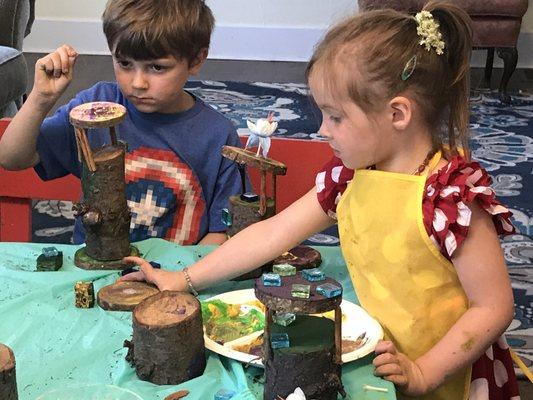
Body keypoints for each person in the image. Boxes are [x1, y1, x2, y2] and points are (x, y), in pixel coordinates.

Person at [119, 2, 520, 398]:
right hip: (380, 352)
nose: (322, 130)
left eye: (336, 117)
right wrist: (184, 279)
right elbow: (273, 234)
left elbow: (493, 307)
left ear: (398, 114)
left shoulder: (450, 198)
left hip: (448, 370)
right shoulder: (348, 178)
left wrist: (424, 372)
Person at [0, 0, 243, 246]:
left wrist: (180, 278)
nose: (138, 83)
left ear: (197, 60)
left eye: (157, 67)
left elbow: (222, 233)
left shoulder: (218, 136)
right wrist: (41, 98)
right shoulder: (95, 107)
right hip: (93, 272)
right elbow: (11, 158)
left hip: (176, 277)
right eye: (125, 64)